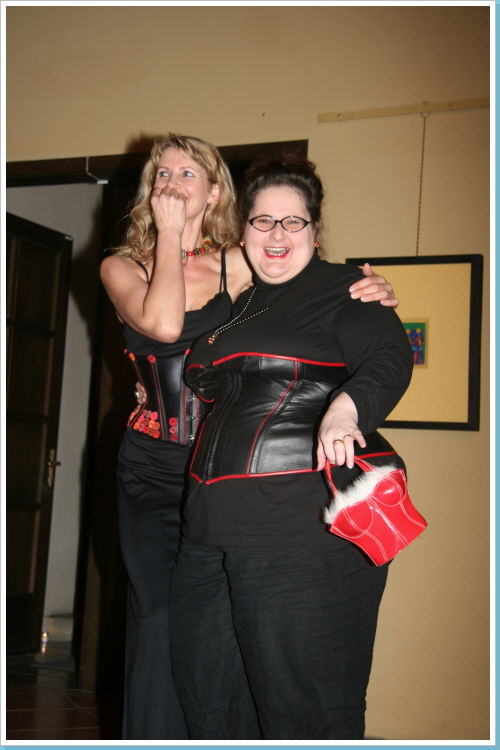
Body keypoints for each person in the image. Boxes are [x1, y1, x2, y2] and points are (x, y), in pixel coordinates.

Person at [99, 134, 399, 740]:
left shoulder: (240, 262)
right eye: (162, 174)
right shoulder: (121, 265)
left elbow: (301, 279)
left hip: (222, 465)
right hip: (154, 466)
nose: (172, 184)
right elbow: (164, 325)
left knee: (223, 634)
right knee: (159, 621)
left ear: (215, 192)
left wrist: (370, 288)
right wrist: (168, 237)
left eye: (189, 173)